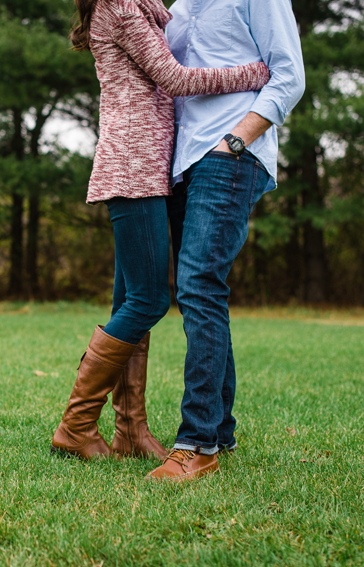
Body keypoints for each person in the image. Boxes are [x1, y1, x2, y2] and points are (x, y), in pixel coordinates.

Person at [51, 0, 270, 461]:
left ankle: (130, 431)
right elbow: (177, 79)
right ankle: (75, 425)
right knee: (149, 300)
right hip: (134, 166)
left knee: (128, 299)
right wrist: (254, 73)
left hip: (149, 168)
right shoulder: (122, 6)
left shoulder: (148, 9)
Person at [147, 0, 305, 482]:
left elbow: (289, 75)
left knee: (197, 285)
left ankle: (197, 443)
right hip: (182, 161)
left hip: (229, 153)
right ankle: (221, 431)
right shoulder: (177, 8)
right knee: (201, 290)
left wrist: (236, 140)